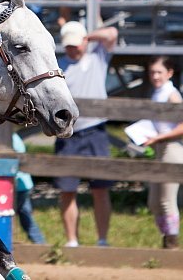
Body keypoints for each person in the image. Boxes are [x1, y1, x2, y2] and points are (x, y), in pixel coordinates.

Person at [54, 20, 117, 247]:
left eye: (76, 44)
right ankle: (72, 240)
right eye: (69, 45)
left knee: (100, 189)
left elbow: (112, 34)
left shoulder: (97, 58)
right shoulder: (59, 65)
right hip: (68, 134)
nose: (73, 49)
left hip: (95, 131)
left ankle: (102, 239)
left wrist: (88, 37)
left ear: (84, 42)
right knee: (67, 190)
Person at [141, 56, 183, 250]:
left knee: (166, 201)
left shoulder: (171, 94)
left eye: (159, 72)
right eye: (152, 72)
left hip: (172, 148)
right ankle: (166, 239)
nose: (155, 76)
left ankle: (172, 244)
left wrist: (158, 138)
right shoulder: (158, 93)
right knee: (154, 201)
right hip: (161, 148)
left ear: (169, 73)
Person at [12, 132, 47, 245]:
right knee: (25, 215)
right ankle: (40, 242)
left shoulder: (10, 139)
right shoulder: (15, 137)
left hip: (18, 185)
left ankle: (39, 243)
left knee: (10, 215)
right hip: (24, 184)